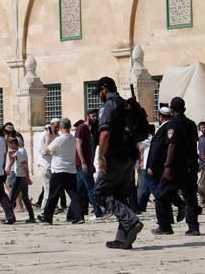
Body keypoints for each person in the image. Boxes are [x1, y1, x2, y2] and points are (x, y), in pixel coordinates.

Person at [92, 77, 144, 250]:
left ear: (105, 89)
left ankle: (131, 221)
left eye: (100, 92)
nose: (99, 95)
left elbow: (105, 134)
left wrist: (100, 157)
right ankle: (123, 238)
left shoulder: (109, 106)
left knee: (100, 193)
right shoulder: (126, 104)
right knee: (121, 196)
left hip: (115, 156)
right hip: (130, 155)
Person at [38, 118, 83, 224]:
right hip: (71, 170)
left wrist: (49, 138)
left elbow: (45, 151)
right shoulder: (73, 138)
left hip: (59, 170)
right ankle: (79, 216)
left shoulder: (59, 139)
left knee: (53, 195)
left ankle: (47, 217)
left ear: (61, 127)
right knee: (74, 194)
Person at [148, 107, 184, 235]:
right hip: (166, 167)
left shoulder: (165, 129)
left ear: (160, 116)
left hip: (161, 168)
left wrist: (151, 166)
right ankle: (171, 217)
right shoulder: (170, 127)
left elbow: (157, 150)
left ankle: (164, 226)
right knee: (166, 194)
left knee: (160, 196)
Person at [169, 97, 200, 236]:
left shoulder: (173, 124)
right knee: (191, 195)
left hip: (178, 164)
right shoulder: (192, 124)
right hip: (191, 164)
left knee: (165, 191)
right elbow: (194, 143)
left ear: (172, 109)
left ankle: (165, 223)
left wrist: (167, 164)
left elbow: (172, 145)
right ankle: (193, 226)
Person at [1, 137, 35, 223]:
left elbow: (25, 165)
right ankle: (32, 217)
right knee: (25, 198)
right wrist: (9, 166)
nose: (10, 147)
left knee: (12, 197)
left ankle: (9, 217)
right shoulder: (21, 152)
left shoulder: (20, 152)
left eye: (10, 145)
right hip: (22, 177)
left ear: (15, 144)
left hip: (20, 177)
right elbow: (15, 160)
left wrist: (28, 178)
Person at [74, 118, 103, 219]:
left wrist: (91, 163)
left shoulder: (88, 130)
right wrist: (83, 162)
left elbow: (88, 149)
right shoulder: (82, 128)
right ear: (88, 116)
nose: (95, 118)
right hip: (82, 164)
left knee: (80, 189)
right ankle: (97, 211)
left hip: (86, 163)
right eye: (93, 115)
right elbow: (78, 146)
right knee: (89, 188)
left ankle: (76, 212)